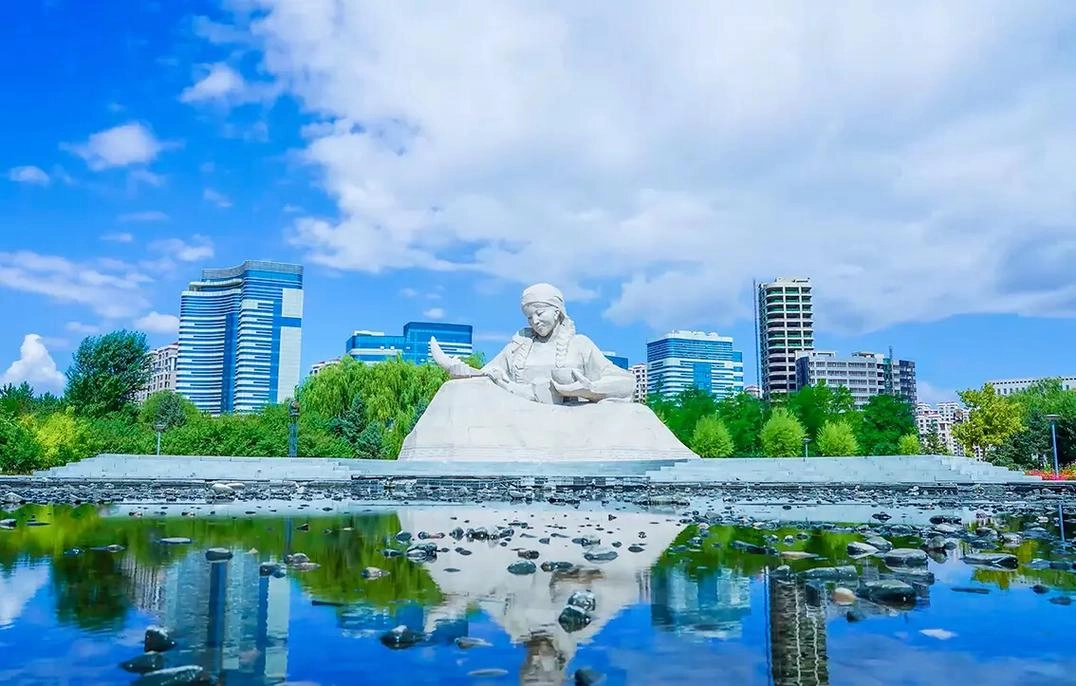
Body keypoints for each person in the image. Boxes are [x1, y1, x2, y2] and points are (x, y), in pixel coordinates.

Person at [431, 283, 634, 404]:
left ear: (557, 311)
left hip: (573, 419)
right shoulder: (518, 347)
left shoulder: (580, 345)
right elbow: (486, 377)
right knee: (454, 391)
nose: (534, 321)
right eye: (529, 317)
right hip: (520, 415)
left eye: (539, 313)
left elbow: (626, 384)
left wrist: (585, 389)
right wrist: (461, 370)